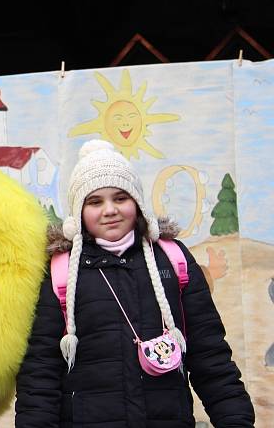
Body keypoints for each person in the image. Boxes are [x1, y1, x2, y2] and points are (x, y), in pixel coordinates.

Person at [14, 139, 254, 426]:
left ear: (137, 203)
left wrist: (236, 420)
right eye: (95, 201)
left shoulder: (172, 259)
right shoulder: (61, 272)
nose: (110, 210)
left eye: (120, 198)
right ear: (78, 212)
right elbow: (40, 372)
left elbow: (210, 355)